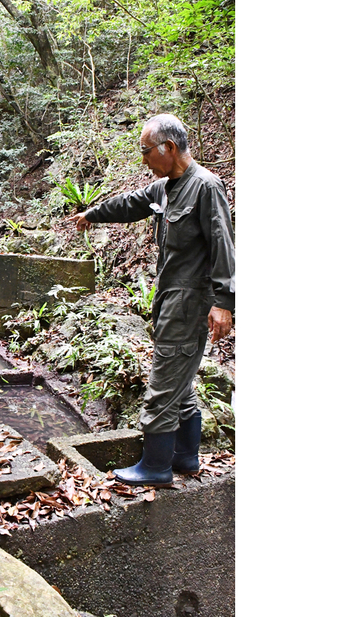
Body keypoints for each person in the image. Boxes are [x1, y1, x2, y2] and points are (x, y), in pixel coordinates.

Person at [67, 113, 235, 487]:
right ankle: (186, 457)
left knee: (163, 381)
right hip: (169, 297)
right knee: (181, 380)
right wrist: (92, 213)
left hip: (191, 300)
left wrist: (224, 303)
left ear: (169, 148)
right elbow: (129, 204)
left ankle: (155, 466)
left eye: (146, 152)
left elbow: (224, 246)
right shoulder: (164, 187)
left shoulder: (206, 187)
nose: (143, 160)